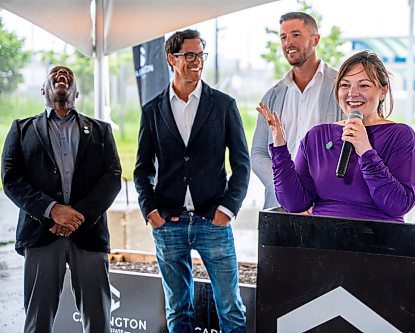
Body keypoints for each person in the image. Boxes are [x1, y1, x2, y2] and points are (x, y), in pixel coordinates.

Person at [134, 29, 250, 333]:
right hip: (168, 223)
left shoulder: (224, 105)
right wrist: (151, 213)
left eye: (201, 54)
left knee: (230, 308)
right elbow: (142, 169)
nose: (197, 61)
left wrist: (228, 209)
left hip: (213, 222)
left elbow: (241, 164)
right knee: (178, 310)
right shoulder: (152, 111)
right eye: (189, 55)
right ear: (172, 59)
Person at [1, 66, 122, 332]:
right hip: (41, 234)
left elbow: (112, 176)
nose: (61, 75)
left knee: (99, 322)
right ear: (43, 89)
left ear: (76, 92)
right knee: (37, 322)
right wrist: (51, 210)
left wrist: (78, 217)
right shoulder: (21, 130)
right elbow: (11, 179)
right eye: (54, 74)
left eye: (68, 75)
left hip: (89, 235)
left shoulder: (101, 131)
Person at [257, 50, 415, 222]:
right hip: (321, 241)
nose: (352, 92)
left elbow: (398, 204)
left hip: (380, 243)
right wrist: (279, 148)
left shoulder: (400, 136)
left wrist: (366, 151)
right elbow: (295, 203)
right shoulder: (317, 136)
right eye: (345, 85)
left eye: (364, 85)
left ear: (383, 91)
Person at [252, 11, 343, 209]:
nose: (288, 43)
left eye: (296, 35)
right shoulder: (272, 96)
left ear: (315, 39)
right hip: (279, 204)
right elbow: (258, 154)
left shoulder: (341, 88)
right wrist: (284, 188)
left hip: (325, 205)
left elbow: (348, 150)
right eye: (283, 37)